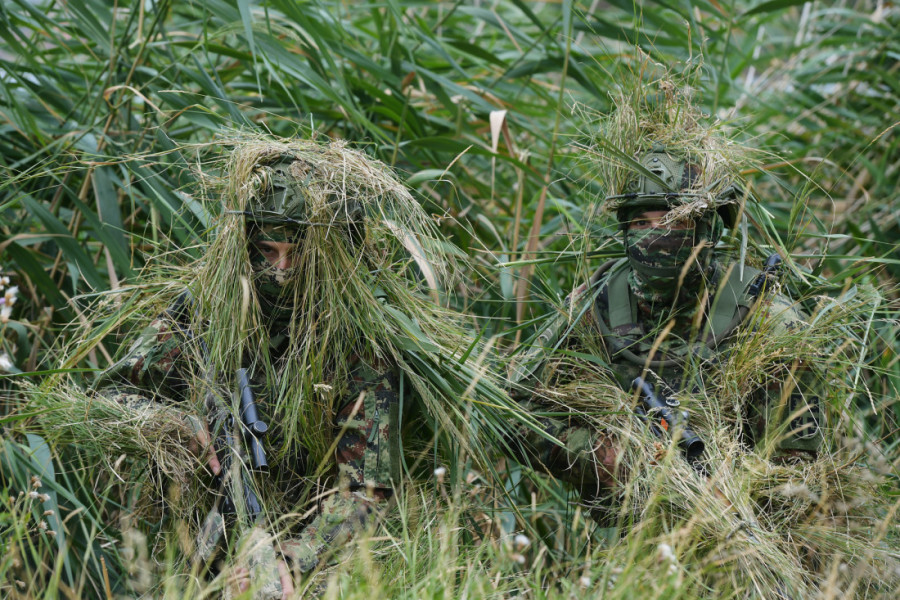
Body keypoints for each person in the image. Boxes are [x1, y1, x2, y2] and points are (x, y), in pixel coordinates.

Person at [91, 140, 511, 598]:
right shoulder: (204, 311)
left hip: (319, 552)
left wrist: (292, 559)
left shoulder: (358, 339)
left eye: (297, 253)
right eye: (267, 251)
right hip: (196, 539)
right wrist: (169, 425)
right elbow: (106, 398)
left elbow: (367, 488)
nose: (282, 271)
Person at [509, 143, 823, 506]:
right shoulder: (595, 308)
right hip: (628, 530)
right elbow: (509, 413)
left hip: (737, 519)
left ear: (707, 231)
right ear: (625, 232)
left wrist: (717, 496)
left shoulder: (768, 321)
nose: (657, 236)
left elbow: (795, 477)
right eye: (641, 223)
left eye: (676, 221)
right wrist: (606, 458)